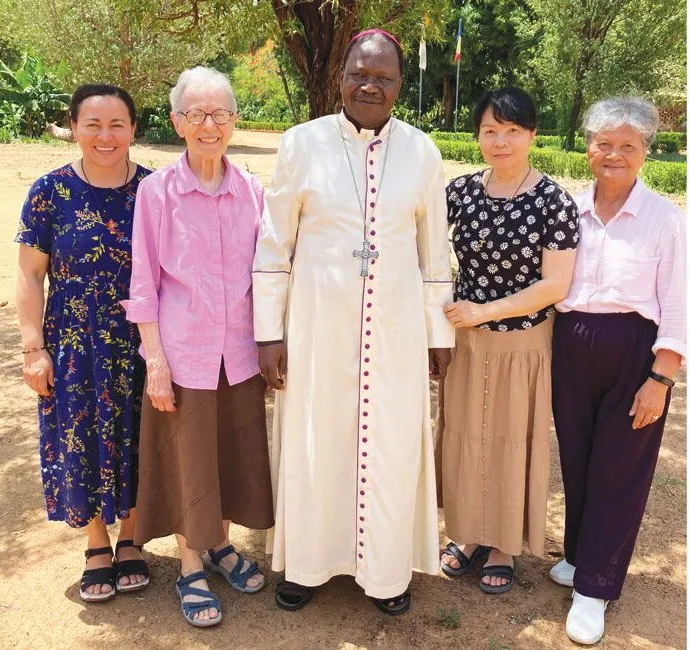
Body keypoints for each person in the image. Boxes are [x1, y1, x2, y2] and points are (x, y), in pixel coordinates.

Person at [252, 29, 453, 615]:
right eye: (359, 74)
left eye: (384, 77)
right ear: (341, 77)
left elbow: (433, 254)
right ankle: (308, 565)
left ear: (398, 86)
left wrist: (439, 335)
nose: (370, 85)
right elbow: (273, 246)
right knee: (315, 439)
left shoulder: (422, 152)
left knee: (389, 444)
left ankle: (387, 574)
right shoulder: (301, 144)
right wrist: (269, 332)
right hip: (316, 326)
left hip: (394, 330)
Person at [122, 66, 274, 628]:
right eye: (196, 114)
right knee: (190, 463)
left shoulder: (253, 191)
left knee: (231, 457)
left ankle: (221, 546)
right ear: (177, 123)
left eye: (220, 114)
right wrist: (155, 364)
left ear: (234, 121)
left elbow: (271, 275)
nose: (209, 125)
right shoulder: (157, 193)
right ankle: (190, 564)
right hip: (183, 356)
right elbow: (144, 287)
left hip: (239, 355)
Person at [549, 97, 685, 645]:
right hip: (571, 344)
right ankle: (581, 555)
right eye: (604, 143)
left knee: (619, 470)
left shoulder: (665, 220)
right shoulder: (569, 210)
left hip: (634, 350)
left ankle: (596, 587)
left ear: (645, 153)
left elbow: (678, 304)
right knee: (578, 460)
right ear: (588, 147)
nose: (614, 154)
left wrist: (661, 377)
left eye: (628, 146)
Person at [438, 87, 579, 594]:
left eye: (512, 130)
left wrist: (484, 311)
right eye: (490, 131)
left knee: (509, 440)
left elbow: (554, 285)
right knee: (464, 435)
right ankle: (468, 534)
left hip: (523, 342)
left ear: (532, 135)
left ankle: (503, 543)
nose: (500, 141)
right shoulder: (458, 192)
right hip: (466, 343)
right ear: (477, 135)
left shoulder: (553, 201)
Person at [15, 84, 150, 602]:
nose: (105, 135)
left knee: (138, 433)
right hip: (72, 344)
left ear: (134, 129)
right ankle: (97, 540)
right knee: (80, 435)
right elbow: (30, 275)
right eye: (92, 124)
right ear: (73, 127)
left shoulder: (155, 191)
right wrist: (33, 348)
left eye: (117, 124)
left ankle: (133, 535)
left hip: (141, 341)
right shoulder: (48, 192)